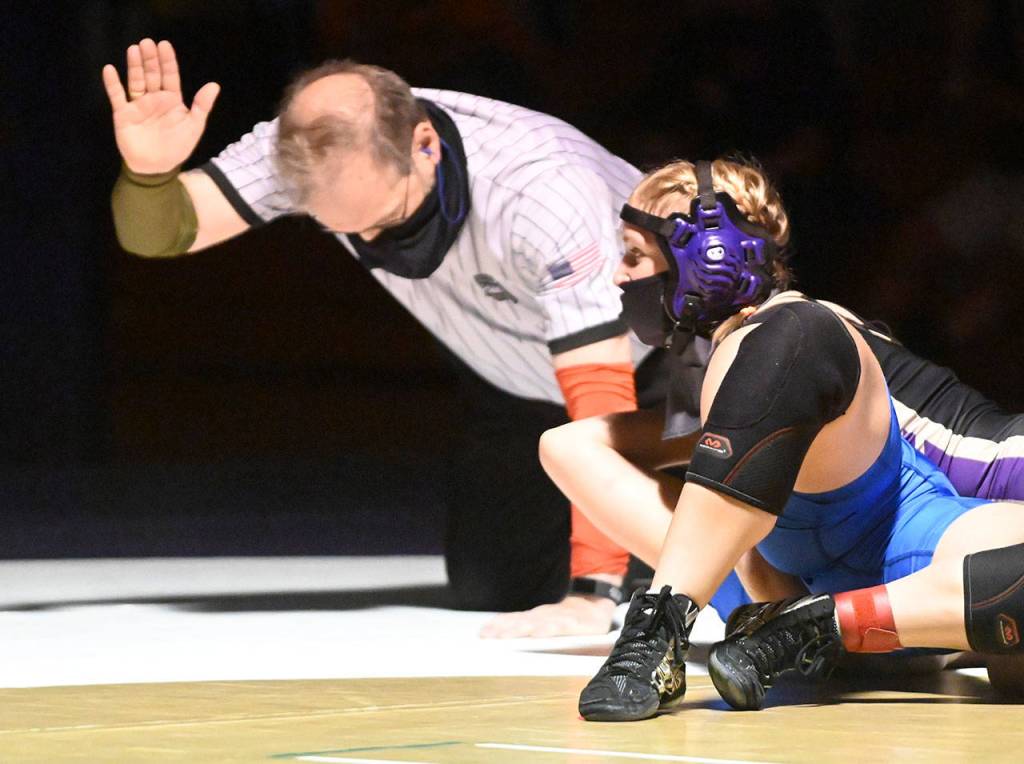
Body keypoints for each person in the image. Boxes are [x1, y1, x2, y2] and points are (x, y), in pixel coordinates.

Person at [101, 38, 666, 624]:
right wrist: (149, 175)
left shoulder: (540, 188)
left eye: (388, 216)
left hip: (654, 369)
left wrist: (592, 591)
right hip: (517, 381)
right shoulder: (306, 148)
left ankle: (668, 543)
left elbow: (600, 398)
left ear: (425, 144)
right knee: (493, 587)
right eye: (345, 228)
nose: (374, 242)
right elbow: (162, 233)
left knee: (664, 565)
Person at [536, 157, 1024, 721]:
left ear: (708, 257)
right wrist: (720, 450)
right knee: (563, 446)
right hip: (820, 564)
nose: (618, 277)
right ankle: (678, 627)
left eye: (633, 255)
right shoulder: (743, 362)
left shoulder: (795, 331)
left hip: (948, 529)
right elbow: (573, 447)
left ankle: (813, 627)